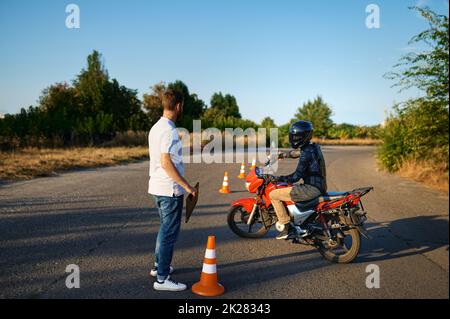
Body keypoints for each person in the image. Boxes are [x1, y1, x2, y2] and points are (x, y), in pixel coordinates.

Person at [148, 89, 197, 291]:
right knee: (169, 233)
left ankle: (159, 266)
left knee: (164, 229)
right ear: (178, 106)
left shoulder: (156, 127)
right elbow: (166, 162)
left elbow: (164, 156)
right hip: (169, 190)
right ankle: (162, 279)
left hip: (157, 187)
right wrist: (187, 186)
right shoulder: (169, 130)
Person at [267, 120, 327, 240]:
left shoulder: (306, 154)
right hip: (320, 185)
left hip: (311, 189)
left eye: (296, 136)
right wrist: (283, 155)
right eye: (293, 135)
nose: (294, 138)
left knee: (273, 194)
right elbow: (297, 153)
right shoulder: (313, 147)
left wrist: (277, 178)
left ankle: (286, 226)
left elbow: (295, 177)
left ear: (302, 136)